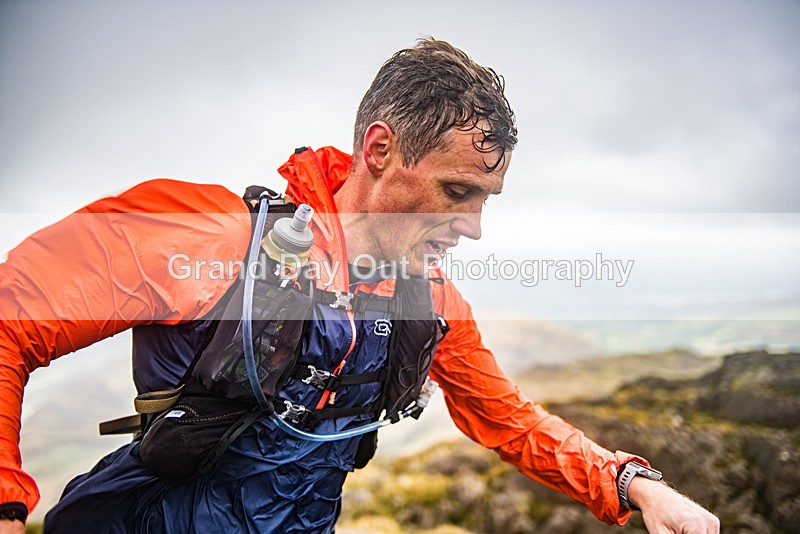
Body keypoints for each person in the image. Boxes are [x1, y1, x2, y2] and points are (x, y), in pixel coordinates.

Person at [0, 38, 719, 533]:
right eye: (456, 190)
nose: (472, 228)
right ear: (380, 149)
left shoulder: (427, 301)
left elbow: (513, 420)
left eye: (485, 200)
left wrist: (635, 486)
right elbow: (11, 319)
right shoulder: (212, 236)